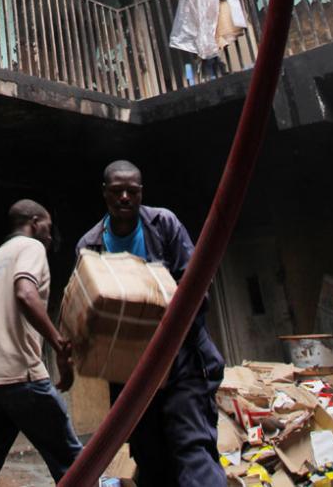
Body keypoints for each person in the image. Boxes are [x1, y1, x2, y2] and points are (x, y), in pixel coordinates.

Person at [75, 160, 226, 487]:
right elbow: (88, 317)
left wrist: (161, 316)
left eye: (133, 191)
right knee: (149, 453)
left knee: (191, 444)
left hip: (181, 359)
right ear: (105, 194)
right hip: (128, 369)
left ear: (142, 192)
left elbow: (198, 285)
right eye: (117, 191)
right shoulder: (89, 247)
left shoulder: (164, 225)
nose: (125, 197)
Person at [0, 199, 82, 487]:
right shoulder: (31, 247)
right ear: (36, 223)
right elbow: (25, 293)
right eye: (48, 227)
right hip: (19, 375)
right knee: (76, 467)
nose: (50, 236)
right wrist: (59, 343)